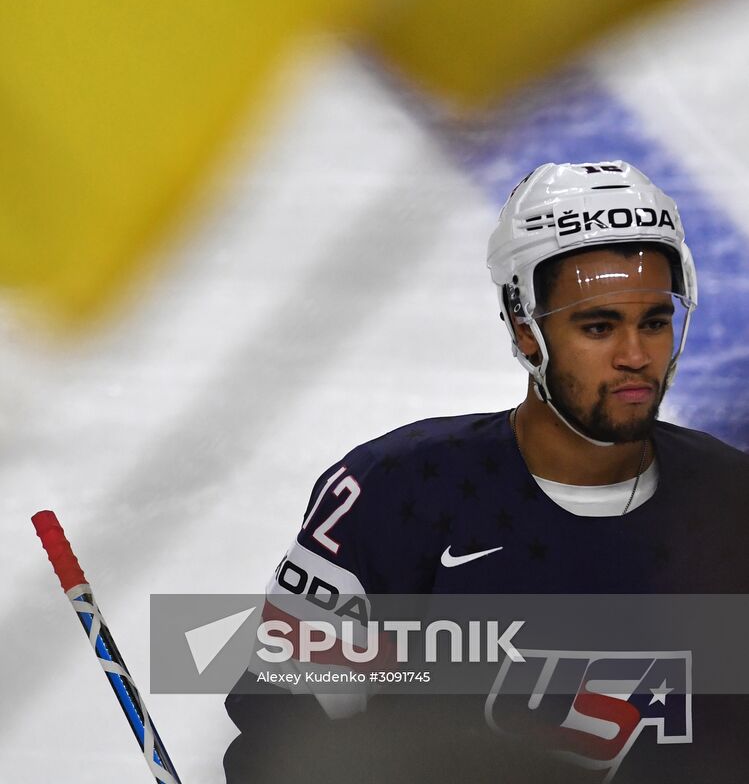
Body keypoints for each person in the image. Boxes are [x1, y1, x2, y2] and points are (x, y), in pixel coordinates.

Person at [225, 160, 749, 783]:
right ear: (526, 331)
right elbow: (282, 737)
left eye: (654, 323)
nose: (636, 357)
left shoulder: (731, 502)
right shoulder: (399, 493)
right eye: (599, 326)